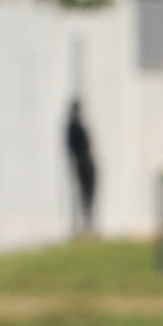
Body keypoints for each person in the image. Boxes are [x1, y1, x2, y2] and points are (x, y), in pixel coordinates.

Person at [65, 98, 97, 233]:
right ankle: (83, 224)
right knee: (83, 193)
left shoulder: (78, 124)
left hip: (86, 160)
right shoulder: (73, 125)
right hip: (82, 161)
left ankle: (88, 223)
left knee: (89, 193)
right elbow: (71, 147)